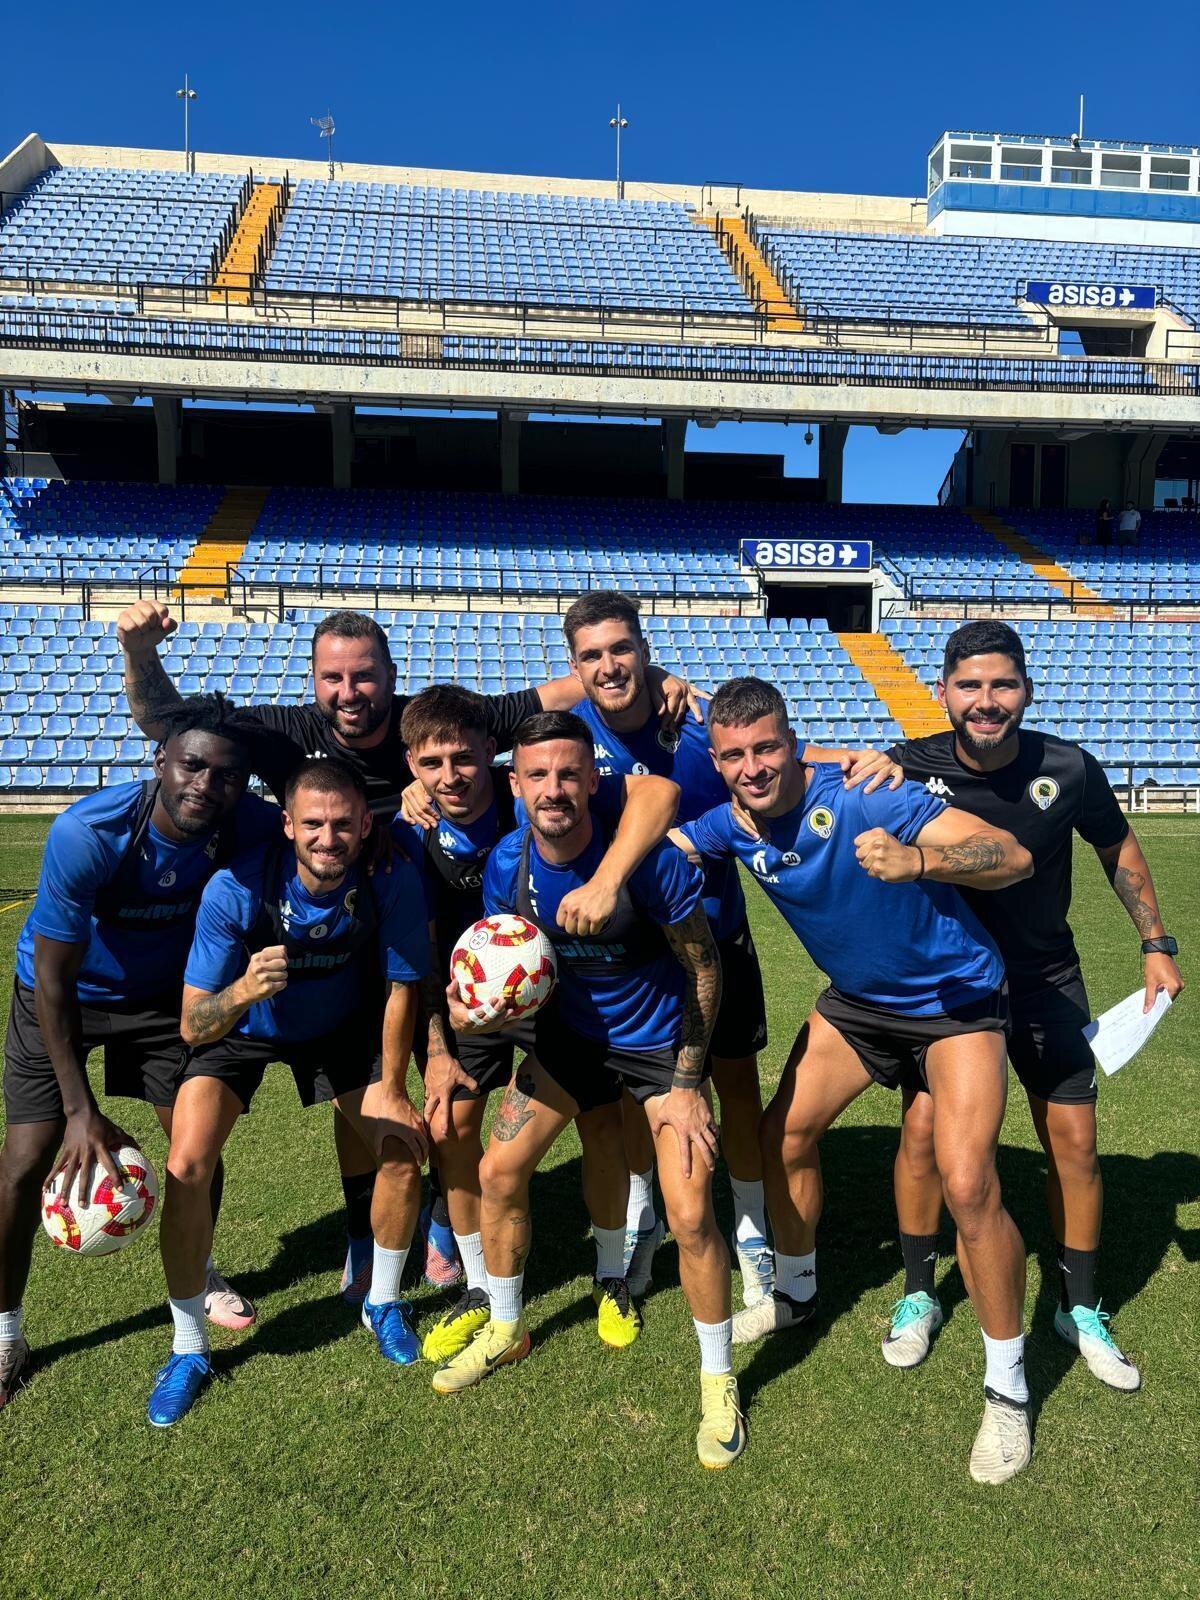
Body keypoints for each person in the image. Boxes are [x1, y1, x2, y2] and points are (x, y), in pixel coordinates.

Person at [116, 602, 696, 1295]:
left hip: (514, 962)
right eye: (332, 677)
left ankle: (575, 1235)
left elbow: (564, 691)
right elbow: (171, 727)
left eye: (364, 676)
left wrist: (652, 675)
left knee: (576, 1111)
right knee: (381, 1108)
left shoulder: (450, 723)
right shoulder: (287, 732)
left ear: (392, 678)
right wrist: (141, 654)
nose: (348, 692)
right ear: (314, 679)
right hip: (379, 957)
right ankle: (386, 1241)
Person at [676, 678, 1039, 1485]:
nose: (752, 768)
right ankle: (797, 1294)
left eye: (767, 748)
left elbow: (1011, 855)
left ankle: (1007, 1388)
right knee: (781, 1135)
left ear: (794, 742)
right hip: (857, 1006)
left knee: (970, 1183)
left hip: (955, 1003)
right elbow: (659, 848)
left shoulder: (869, 796)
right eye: (733, 755)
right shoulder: (730, 822)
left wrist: (920, 860)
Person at [551, 588, 903, 1309]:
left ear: (647, 651)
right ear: (574, 665)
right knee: (635, 1100)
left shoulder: (695, 721)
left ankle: (749, 1229)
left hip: (717, 938)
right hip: (636, 960)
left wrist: (874, 757)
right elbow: (514, 776)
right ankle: (648, 1215)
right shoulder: (573, 735)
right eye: (593, 654)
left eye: (623, 648)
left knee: (737, 1089)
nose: (611, 665)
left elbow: (788, 757)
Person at [430, 714, 744, 1471]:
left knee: (694, 1212)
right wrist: (475, 1004)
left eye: (569, 773)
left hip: (659, 1050)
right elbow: (510, 966)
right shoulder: (509, 863)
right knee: (499, 1171)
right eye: (537, 775)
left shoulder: (647, 864)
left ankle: (718, 1377)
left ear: (593, 779)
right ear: (515, 785)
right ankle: (507, 1327)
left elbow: (704, 967)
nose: (554, 789)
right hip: (567, 1044)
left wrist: (686, 1083)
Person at [887, 620, 1182, 1391]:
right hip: (947, 989)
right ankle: (920, 1292)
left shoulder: (1069, 768)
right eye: (971, 686)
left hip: (1046, 976)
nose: (987, 703)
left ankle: (1079, 1307)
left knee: (1075, 1144)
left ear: (1025, 689)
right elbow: (802, 781)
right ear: (944, 692)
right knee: (923, 1136)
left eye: (1003, 685)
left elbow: (1115, 845)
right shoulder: (905, 768)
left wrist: (1156, 942)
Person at [0, 695, 278, 1409]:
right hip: (60, 995)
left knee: (193, 1144)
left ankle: (200, 1270)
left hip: (163, 1004)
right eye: (191, 767)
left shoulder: (247, 824)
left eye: (225, 776)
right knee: (27, 1158)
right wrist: (79, 1110)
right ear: (160, 761)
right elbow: (55, 978)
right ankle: (6, 1332)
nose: (204, 787)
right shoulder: (88, 832)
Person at [393, 683, 678, 1362]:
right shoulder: (412, 826)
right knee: (454, 1126)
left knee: (602, 1129)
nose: (450, 776)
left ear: (493, 760)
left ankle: (612, 1275)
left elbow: (655, 794)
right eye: (431, 764)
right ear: (412, 768)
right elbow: (421, 942)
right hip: (483, 988)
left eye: (463, 759)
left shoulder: (550, 782)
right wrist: (443, 1034)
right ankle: (485, 1288)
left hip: (563, 994)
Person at [145, 758, 430, 1426]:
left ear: (365, 824)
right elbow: (193, 1023)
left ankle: (381, 1301)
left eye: (340, 824)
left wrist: (390, 1086)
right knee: (187, 1164)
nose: (327, 838)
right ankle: (188, 1347)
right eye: (312, 825)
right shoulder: (236, 889)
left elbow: (400, 986)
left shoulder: (388, 877)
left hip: (336, 1029)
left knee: (399, 1151)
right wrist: (245, 989)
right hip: (246, 1030)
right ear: (286, 826)